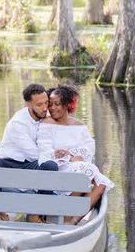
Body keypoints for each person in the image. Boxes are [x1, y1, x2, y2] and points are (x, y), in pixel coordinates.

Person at [37, 85, 113, 224]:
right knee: (84, 170)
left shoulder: (79, 125)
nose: (52, 108)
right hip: (57, 165)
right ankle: (65, 214)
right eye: (50, 104)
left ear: (66, 105)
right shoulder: (47, 123)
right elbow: (44, 147)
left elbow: (89, 147)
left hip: (76, 164)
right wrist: (67, 157)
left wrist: (72, 154)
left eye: (57, 104)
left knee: (101, 183)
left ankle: (73, 220)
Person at [0, 83, 58, 221]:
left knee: (51, 166)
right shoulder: (18, 123)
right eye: (39, 104)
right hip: (11, 162)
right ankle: (0, 213)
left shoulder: (46, 117)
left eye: (46, 103)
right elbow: (33, 154)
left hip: (31, 163)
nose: (45, 108)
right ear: (28, 105)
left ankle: (37, 214)